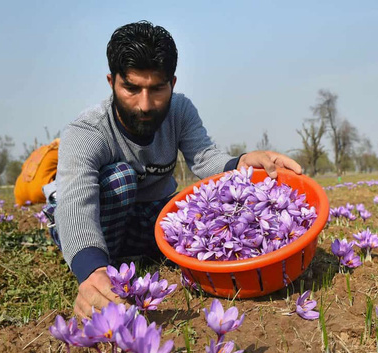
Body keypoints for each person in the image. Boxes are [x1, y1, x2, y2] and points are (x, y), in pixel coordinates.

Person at [44, 20, 302, 319]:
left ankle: (136, 252)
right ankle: (107, 262)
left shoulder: (180, 110)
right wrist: (91, 270)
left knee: (199, 212)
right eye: (131, 88)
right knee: (121, 179)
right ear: (111, 81)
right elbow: (77, 203)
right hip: (100, 212)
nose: (145, 104)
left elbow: (205, 158)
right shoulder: (87, 131)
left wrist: (241, 163)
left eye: (157, 89)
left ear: (173, 84)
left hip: (149, 211)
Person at [14, 138, 59, 206]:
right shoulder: (61, 152)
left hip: (20, 196)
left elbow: (23, 167)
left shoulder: (38, 151)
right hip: (40, 193)